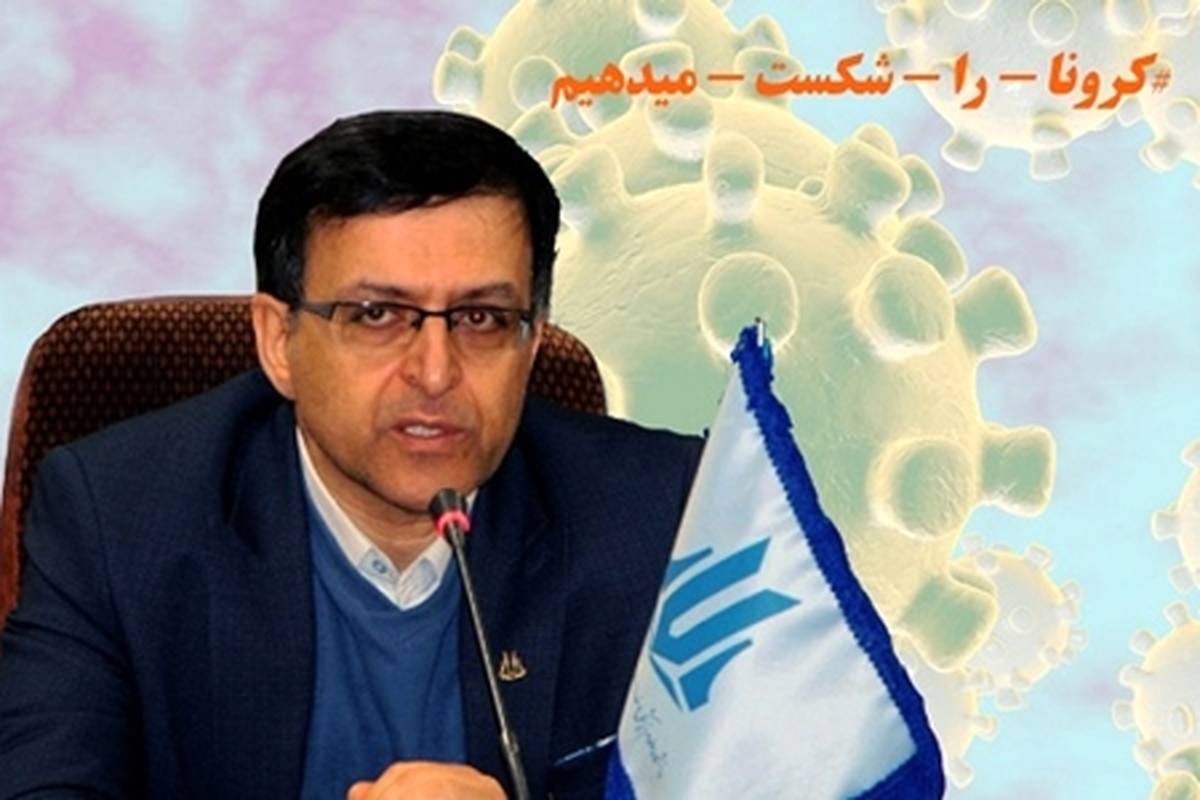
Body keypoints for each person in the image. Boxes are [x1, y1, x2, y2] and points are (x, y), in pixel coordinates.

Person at [0, 110, 702, 799]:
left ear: (532, 341)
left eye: (481, 318)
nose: (435, 372)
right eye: (377, 315)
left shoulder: (668, 518)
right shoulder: (119, 518)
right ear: (279, 341)